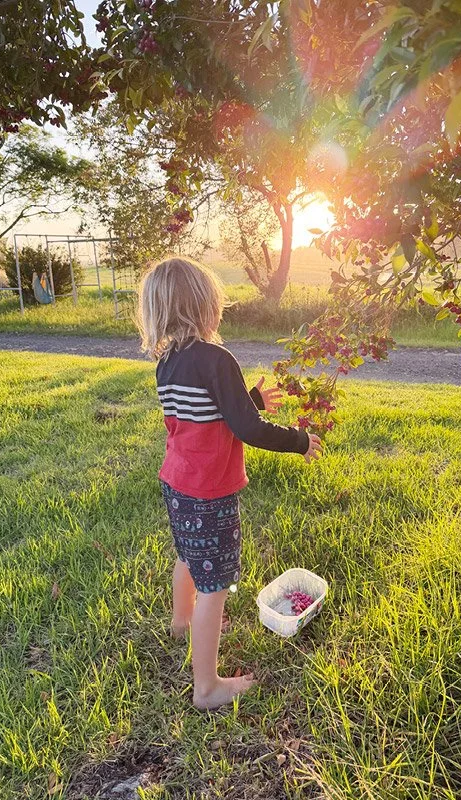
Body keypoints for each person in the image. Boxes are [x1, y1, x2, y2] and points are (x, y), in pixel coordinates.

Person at [137, 256, 323, 709]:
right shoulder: (217, 359)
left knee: (186, 556)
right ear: (204, 306)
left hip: (177, 482)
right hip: (208, 492)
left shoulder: (168, 362)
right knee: (215, 584)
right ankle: (208, 687)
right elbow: (248, 429)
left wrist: (250, 398)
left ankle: (181, 624)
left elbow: (201, 414)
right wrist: (298, 441)